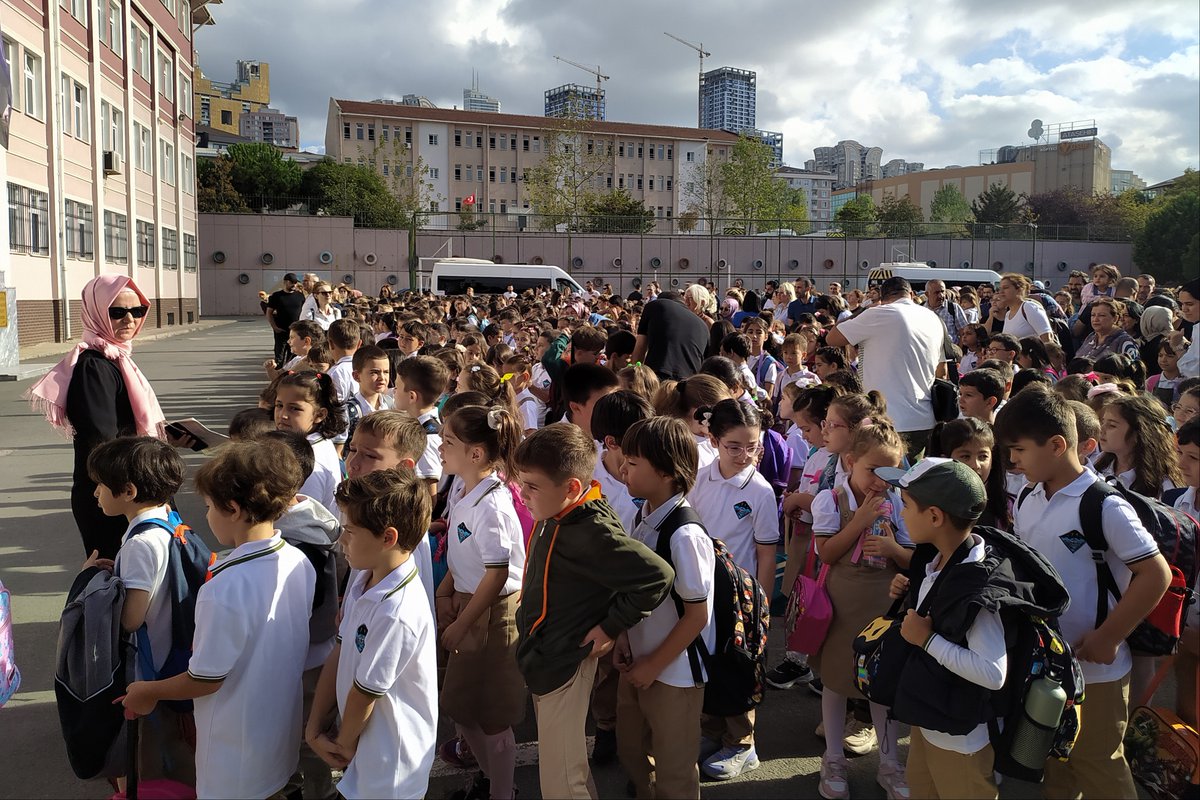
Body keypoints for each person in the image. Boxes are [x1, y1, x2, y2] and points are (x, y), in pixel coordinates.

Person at [996, 388, 1171, 800]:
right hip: (1047, 664)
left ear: (1057, 445)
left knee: (1099, 764)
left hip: (1098, 672)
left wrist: (1109, 636)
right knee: (1056, 762)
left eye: (1018, 450)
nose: (1012, 462)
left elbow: (1155, 574)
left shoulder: (1104, 506)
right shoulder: (1028, 496)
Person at [121, 440, 317, 800]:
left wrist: (148, 691)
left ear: (234, 509)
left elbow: (204, 679)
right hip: (277, 734)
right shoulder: (297, 561)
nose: (206, 515)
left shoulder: (224, 588)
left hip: (235, 754)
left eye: (209, 506)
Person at [514, 424, 674, 800]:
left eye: (532, 486)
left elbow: (657, 577)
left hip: (565, 662)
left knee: (561, 784)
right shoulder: (556, 511)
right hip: (546, 657)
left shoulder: (592, 530)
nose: (522, 494)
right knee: (568, 769)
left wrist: (610, 627)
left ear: (571, 487)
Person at [305, 468, 437, 800]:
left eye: (349, 530)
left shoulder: (397, 611)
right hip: (362, 750)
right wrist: (314, 726)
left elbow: (365, 694)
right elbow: (339, 651)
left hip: (390, 767)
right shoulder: (364, 580)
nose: (341, 539)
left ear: (387, 537)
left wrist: (343, 746)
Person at [880, 459, 1007, 800]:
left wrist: (927, 640)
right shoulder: (939, 559)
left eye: (906, 506)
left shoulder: (975, 584)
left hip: (961, 741)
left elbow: (993, 672)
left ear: (935, 517)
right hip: (932, 722)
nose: (901, 514)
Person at [26, 274, 166, 560]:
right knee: (117, 583)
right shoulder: (94, 366)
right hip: (112, 493)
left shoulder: (117, 358)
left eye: (137, 311)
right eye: (117, 312)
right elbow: (102, 440)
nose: (129, 319)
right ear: (96, 312)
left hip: (128, 487)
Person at [809, 421, 913, 800]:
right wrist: (861, 522)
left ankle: (890, 763)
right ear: (850, 461)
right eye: (873, 470)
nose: (881, 482)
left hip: (884, 603)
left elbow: (911, 557)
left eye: (892, 473)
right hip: (841, 602)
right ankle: (833, 757)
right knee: (836, 681)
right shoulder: (830, 499)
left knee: (881, 685)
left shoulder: (900, 502)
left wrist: (894, 551)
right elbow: (826, 553)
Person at [84, 436, 193, 786]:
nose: (95, 493)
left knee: (145, 756)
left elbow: (130, 619)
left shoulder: (139, 544)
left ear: (128, 491)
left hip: (148, 668)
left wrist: (91, 582)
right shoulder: (168, 520)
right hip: (173, 653)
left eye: (100, 485)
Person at [616, 416, 716, 800]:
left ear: (668, 471)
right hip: (640, 661)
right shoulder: (643, 516)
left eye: (634, 462)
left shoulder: (685, 534)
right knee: (634, 749)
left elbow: (697, 614)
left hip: (674, 673)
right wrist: (625, 637)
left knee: (674, 769)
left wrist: (653, 665)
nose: (623, 469)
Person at [437, 406, 526, 800]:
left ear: (475, 454)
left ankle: (502, 792)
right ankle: (493, 782)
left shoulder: (492, 503)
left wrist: (462, 621)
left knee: (493, 714)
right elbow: (465, 552)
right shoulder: (465, 488)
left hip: (493, 613)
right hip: (472, 604)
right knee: (461, 704)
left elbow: (497, 572)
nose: (440, 447)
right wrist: (445, 589)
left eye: (449, 442)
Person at [687, 400, 777, 780]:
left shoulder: (760, 491)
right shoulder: (697, 478)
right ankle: (713, 732)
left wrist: (764, 606)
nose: (744, 455)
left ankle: (743, 743)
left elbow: (767, 554)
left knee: (740, 668)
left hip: (741, 599)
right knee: (709, 665)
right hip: (701, 590)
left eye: (752, 445)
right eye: (733, 446)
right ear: (713, 439)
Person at [827, 276, 945, 462]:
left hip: (889, 420)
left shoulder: (879, 313)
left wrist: (863, 310)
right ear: (912, 295)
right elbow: (942, 370)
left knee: (883, 484)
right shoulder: (933, 318)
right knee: (910, 484)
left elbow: (832, 338)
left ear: (881, 298)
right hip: (924, 419)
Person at [274, 370, 346, 512]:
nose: (283, 415)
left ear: (319, 415)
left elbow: (305, 515)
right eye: (279, 405)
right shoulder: (315, 442)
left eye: (295, 409)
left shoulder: (312, 461)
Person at [631, 290, 709, 381]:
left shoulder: (655, 305)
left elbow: (640, 347)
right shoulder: (703, 325)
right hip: (690, 382)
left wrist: (633, 376)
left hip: (659, 375)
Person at [989, 273, 1052, 342]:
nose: (1001, 292)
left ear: (1019, 290)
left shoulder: (1029, 307)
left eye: (1006, 288)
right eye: (1000, 288)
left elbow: (1047, 338)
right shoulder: (1008, 314)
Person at [1076, 298, 1140, 362]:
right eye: (1093, 315)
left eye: (1102, 315)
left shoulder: (1125, 342)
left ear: (1115, 318)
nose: (1095, 319)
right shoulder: (1091, 337)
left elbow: (1133, 369)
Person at [267, 273, 308, 368]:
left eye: (295, 283)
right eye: (292, 283)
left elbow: (304, 311)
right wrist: (274, 327)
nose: (294, 285)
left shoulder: (300, 296)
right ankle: (277, 378)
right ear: (285, 282)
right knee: (279, 357)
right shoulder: (276, 296)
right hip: (281, 331)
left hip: (296, 332)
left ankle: (289, 377)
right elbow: (269, 313)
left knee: (294, 357)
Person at [926, 279, 968, 344]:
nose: (941, 295)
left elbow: (964, 332)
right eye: (936, 293)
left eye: (942, 292)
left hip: (948, 352)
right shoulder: (920, 309)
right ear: (927, 294)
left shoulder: (953, 308)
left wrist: (958, 350)